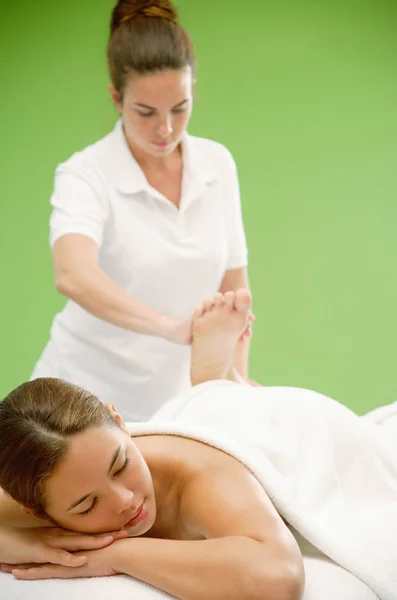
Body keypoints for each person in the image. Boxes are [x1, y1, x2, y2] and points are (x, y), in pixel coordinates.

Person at [0, 290, 389, 600]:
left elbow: (278, 578)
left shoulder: (198, 480)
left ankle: (220, 386)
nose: (123, 500)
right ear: (36, 511)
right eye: (87, 505)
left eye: (120, 465)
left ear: (119, 421)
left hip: (301, 430)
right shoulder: (41, 482)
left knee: (235, 415)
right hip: (197, 422)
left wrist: (110, 555)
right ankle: (216, 382)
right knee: (210, 407)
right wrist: (25, 542)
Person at [31, 0, 252, 422]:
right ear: (117, 97)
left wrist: (233, 389)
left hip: (175, 403)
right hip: (80, 399)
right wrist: (168, 326)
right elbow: (72, 274)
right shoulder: (86, 173)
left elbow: (235, 290)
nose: (165, 128)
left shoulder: (217, 164)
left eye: (180, 108)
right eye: (146, 112)